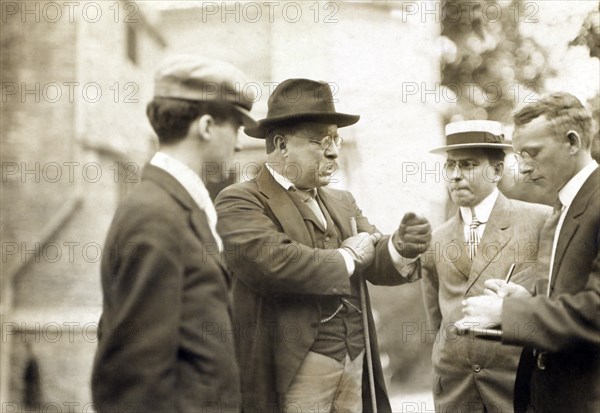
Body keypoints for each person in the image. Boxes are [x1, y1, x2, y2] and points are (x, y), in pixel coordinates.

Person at [214, 78, 432, 413]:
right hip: (290, 367)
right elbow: (276, 263)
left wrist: (400, 246)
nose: (333, 150)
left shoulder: (343, 201)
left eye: (336, 139)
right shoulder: (240, 201)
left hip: (355, 359)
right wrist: (347, 255)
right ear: (280, 144)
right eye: (320, 140)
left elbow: (375, 257)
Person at [91, 55, 256, 413]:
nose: (240, 145)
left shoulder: (177, 205)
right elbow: (135, 382)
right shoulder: (156, 215)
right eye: (237, 128)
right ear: (207, 126)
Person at [459, 92, 600, 412]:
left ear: (573, 142)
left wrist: (507, 315)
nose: (522, 169)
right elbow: (572, 295)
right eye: (519, 156)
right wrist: (526, 300)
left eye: (532, 153)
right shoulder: (564, 207)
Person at [421, 120, 551, 413]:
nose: (455, 176)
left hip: (518, 388)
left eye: (467, 165)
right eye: (450, 166)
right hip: (456, 391)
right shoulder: (437, 238)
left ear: (497, 170)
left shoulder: (540, 221)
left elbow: (556, 302)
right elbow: (436, 317)